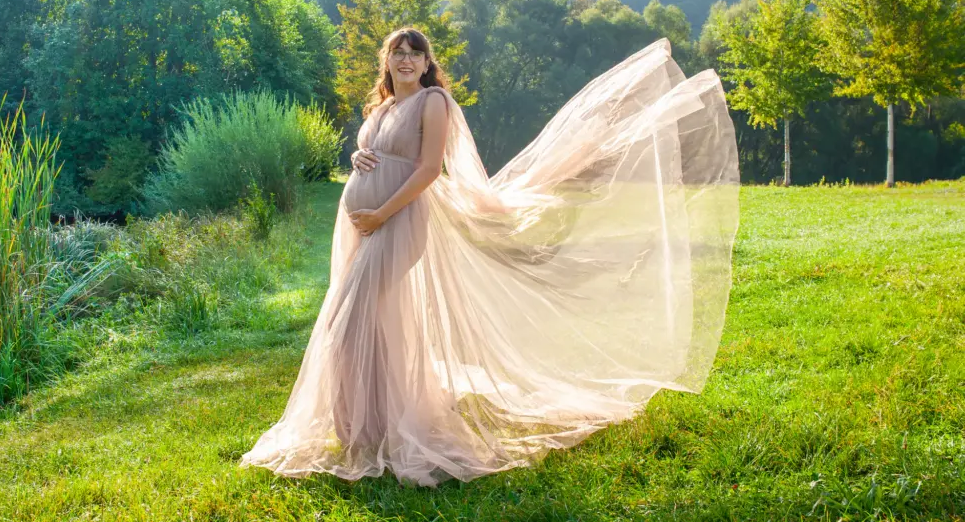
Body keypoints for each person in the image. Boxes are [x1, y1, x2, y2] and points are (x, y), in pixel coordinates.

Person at [240, 27, 740, 487]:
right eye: (399, 51)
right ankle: (367, 429)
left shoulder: (433, 102)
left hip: (398, 222)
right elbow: (378, 150)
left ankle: (377, 430)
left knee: (349, 322)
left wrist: (380, 214)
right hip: (363, 226)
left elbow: (429, 169)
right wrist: (357, 158)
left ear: (428, 62)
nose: (407, 58)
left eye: (416, 52)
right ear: (386, 60)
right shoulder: (382, 108)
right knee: (373, 321)